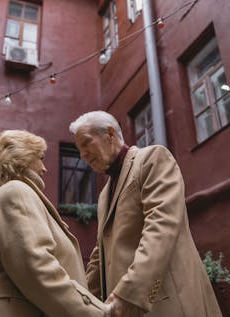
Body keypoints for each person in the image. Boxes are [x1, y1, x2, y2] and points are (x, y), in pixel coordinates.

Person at [69, 111, 222, 317]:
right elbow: (100, 254)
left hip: (166, 305)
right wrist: (78, 303)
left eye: (86, 143)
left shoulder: (152, 158)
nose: (83, 155)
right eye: (79, 150)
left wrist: (129, 292)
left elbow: (161, 226)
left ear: (110, 134)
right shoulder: (105, 193)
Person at [0, 130, 111, 317]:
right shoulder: (16, 192)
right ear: (22, 158)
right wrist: (97, 313)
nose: (45, 168)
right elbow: (36, 267)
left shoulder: (8, 194)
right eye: (40, 158)